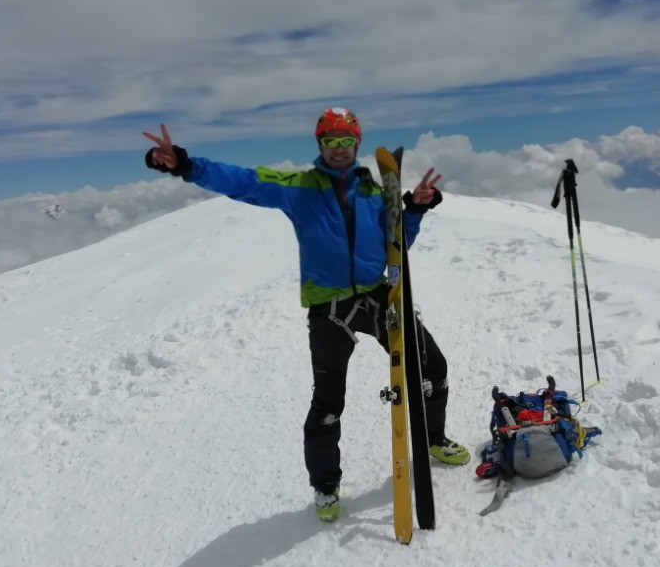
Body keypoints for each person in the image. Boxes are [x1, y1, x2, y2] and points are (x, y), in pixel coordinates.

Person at [143, 107, 470, 523]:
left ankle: (434, 439)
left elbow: (396, 243)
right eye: (330, 140)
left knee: (432, 369)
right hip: (329, 309)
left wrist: (416, 210)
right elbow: (244, 181)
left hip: (379, 299)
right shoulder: (298, 187)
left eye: (345, 140)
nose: (338, 147)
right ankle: (326, 486)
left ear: (357, 143)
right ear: (320, 145)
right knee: (328, 402)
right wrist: (186, 164)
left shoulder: (374, 193)